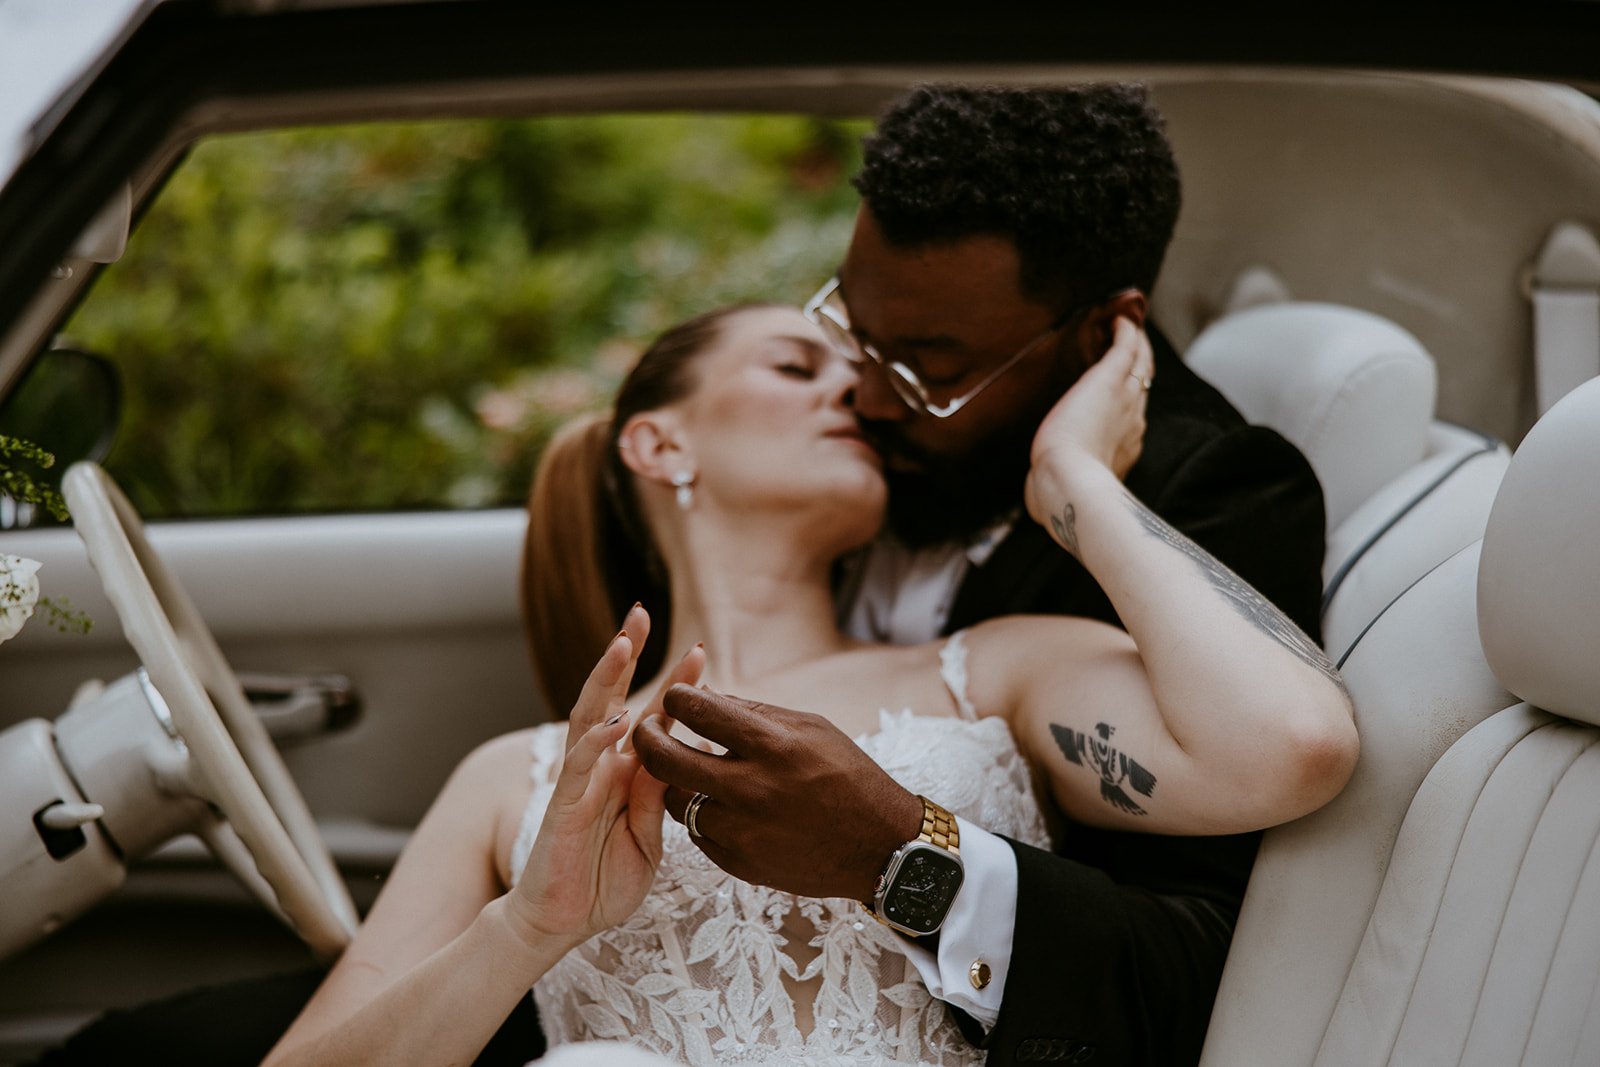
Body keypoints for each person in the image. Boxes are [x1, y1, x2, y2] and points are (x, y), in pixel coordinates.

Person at [263, 300, 1355, 1066]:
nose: (859, 396)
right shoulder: (518, 773)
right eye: (798, 367)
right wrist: (523, 930)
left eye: (866, 378)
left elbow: (1292, 746)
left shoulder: (996, 666)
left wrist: (1072, 486)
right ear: (658, 441)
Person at [626, 84, 1329, 1067]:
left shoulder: (1208, 492)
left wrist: (896, 855)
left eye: (928, 365)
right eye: (852, 329)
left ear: (1098, 332)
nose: (864, 393)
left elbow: (1202, 962)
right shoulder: (854, 452)